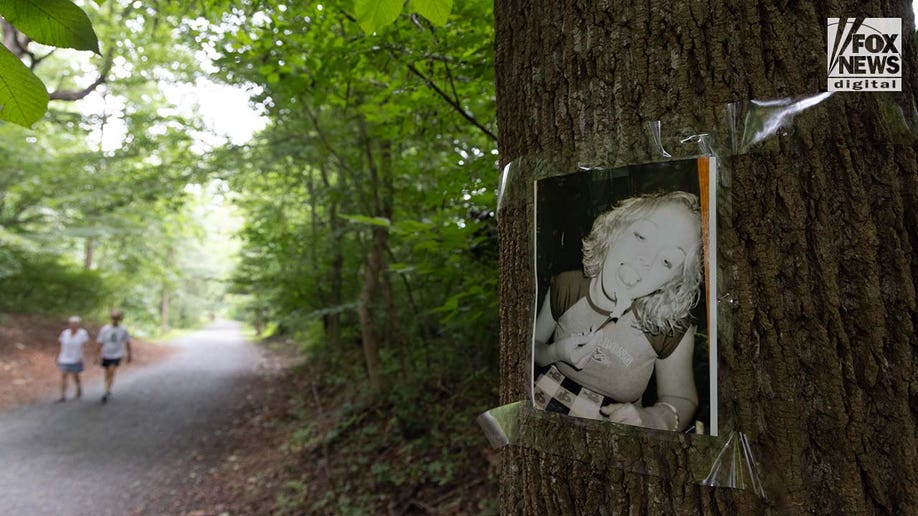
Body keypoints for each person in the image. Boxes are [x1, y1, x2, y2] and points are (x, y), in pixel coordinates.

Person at [533, 191, 703, 431]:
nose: (646, 259)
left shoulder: (668, 328)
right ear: (613, 231)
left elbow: (683, 399)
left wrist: (654, 418)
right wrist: (555, 352)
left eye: (667, 261)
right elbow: (533, 349)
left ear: (672, 282)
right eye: (642, 236)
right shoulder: (567, 287)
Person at [96, 310, 132, 403]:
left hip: (117, 354)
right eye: (113, 318)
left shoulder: (123, 329)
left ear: (120, 319)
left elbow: (127, 342)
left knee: (111, 371)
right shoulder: (105, 329)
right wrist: (97, 355)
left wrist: (129, 354)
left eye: (117, 318)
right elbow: (100, 342)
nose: (115, 320)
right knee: (107, 372)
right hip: (106, 353)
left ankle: (106, 391)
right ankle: (107, 387)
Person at [57, 316, 90, 402]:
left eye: (75, 324)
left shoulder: (83, 333)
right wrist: (58, 356)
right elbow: (61, 345)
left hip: (76, 358)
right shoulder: (65, 333)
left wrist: (82, 356)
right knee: (63, 375)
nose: (73, 325)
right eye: (72, 324)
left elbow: (85, 346)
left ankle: (79, 388)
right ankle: (63, 395)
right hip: (64, 357)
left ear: (78, 325)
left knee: (75, 375)